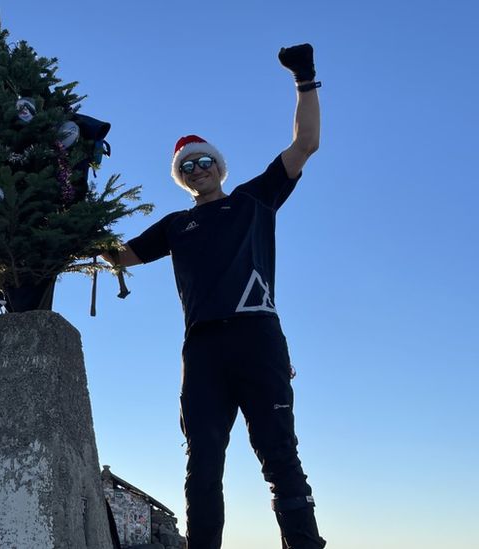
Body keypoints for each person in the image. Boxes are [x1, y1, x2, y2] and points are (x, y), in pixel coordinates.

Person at [104, 44, 326, 549]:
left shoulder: (254, 199)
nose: (198, 169)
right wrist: (70, 209)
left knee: (279, 455)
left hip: (257, 337)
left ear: (220, 167)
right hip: (201, 350)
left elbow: (306, 143)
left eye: (205, 161)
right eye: (188, 167)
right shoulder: (175, 225)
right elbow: (118, 257)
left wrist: (304, 78)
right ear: (181, 178)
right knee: (202, 461)